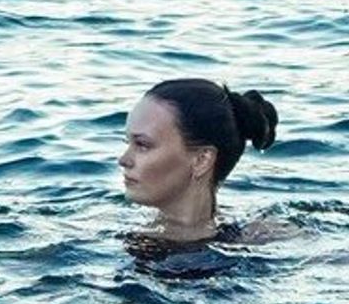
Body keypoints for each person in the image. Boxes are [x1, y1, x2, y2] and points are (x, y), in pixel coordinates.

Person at [118, 79, 282, 249]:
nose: (123, 160)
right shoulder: (258, 237)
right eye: (127, 142)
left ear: (202, 160)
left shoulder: (264, 235)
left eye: (143, 145)